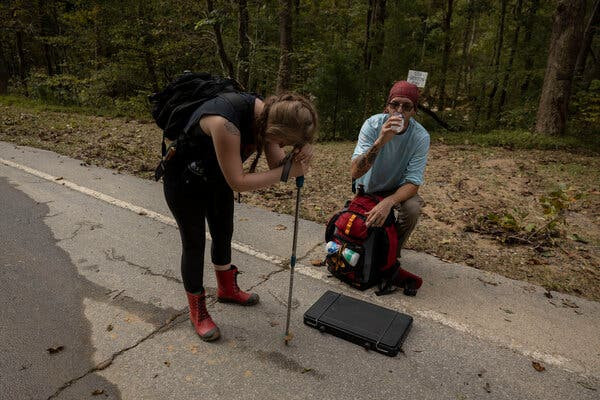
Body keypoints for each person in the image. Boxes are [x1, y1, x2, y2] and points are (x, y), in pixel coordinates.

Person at [163, 91, 318, 341]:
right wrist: (288, 172)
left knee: (223, 231)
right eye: (285, 141)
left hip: (216, 176)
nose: (283, 145)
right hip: (184, 179)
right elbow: (239, 182)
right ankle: (197, 309)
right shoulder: (224, 123)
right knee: (194, 244)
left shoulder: (269, 116)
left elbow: (275, 164)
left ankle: (226, 289)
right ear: (275, 128)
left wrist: (295, 157)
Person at [350, 80, 429, 279]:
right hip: (368, 185)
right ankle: (368, 248)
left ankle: (391, 254)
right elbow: (354, 172)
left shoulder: (420, 137)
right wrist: (381, 141)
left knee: (412, 208)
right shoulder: (373, 124)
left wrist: (389, 201)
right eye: (395, 104)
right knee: (362, 226)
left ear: (414, 111)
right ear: (387, 106)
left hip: (397, 188)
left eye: (407, 106)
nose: (399, 111)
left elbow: (413, 182)